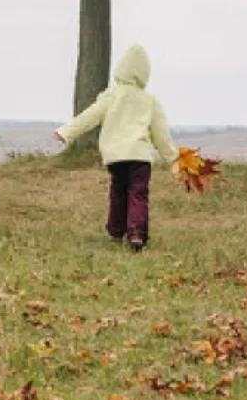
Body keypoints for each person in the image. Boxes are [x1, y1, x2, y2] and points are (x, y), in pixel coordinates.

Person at [55, 43, 180, 251]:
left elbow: (90, 116)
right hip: (140, 157)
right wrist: (173, 158)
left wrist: (66, 131)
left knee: (118, 192)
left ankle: (116, 230)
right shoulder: (150, 101)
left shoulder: (111, 97)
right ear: (144, 74)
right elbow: (161, 134)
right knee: (138, 193)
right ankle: (137, 234)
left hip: (116, 157)